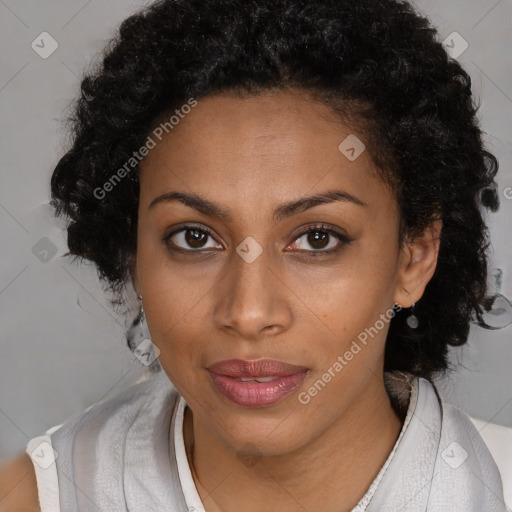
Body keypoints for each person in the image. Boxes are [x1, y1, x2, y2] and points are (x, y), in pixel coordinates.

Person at [0, 0, 508, 510]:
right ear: (133, 256)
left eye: (317, 239)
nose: (248, 313)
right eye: (194, 238)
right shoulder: (32, 496)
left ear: (414, 257)